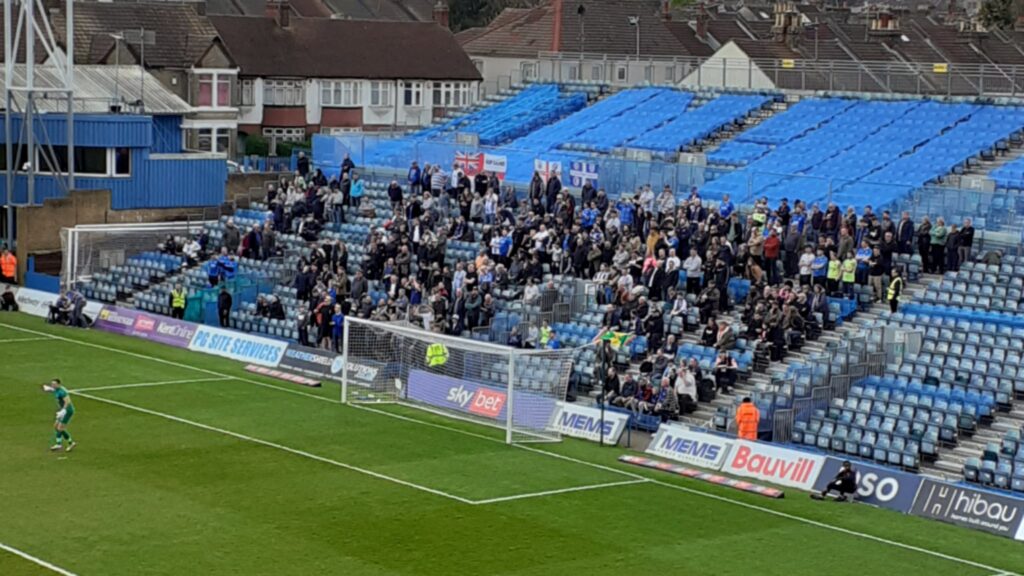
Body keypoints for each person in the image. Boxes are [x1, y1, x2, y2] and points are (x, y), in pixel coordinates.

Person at [42, 378, 76, 452]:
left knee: (60, 428)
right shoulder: (56, 389)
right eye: (52, 384)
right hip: (63, 411)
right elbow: (54, 390)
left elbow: (67, 401)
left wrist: (63, 411)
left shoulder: (62, 391)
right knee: (56, 426)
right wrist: (49, 389)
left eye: (54, 384)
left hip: (67, 411)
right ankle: (66, 443)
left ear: (59, 384)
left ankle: (64, 444)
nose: (53, 385)